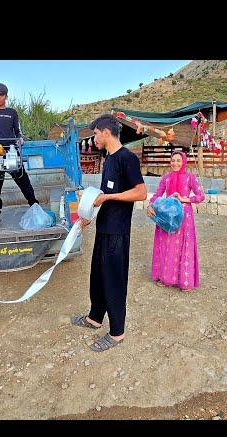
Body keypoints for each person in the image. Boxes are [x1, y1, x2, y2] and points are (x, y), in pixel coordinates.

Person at [70, 114, 147, 352]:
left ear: (105, 131)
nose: (94, 138)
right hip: (104, 227)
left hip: (118, 232)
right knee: (98, 276)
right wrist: (88, 217)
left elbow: (141, 192)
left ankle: (117, 333)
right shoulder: (109, 159)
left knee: (113, 279)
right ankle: (95, 317)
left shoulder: (127, 159)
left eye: (95, 133)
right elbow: (102, 196)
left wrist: (109, 197)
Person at [0, 82, 39, 228]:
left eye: (1, 95)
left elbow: (17, 131)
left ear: (6, 96)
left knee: (23, 180)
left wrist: (20, 138)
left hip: (11, 151)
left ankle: (35, 208)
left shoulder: (12, 112)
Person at [147, 150, 205, 291]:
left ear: (184, 162)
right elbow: (157, 195)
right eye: (173, 160)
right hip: (167, 216)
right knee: (167, 245)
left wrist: (184, 199)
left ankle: (184, 281)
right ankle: (167, 278)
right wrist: (150, 205)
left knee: (183, 246)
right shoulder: (166, 178)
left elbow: (200, 196)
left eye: (178, 160)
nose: (175, 163)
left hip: (184, 216)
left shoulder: (190, 177)